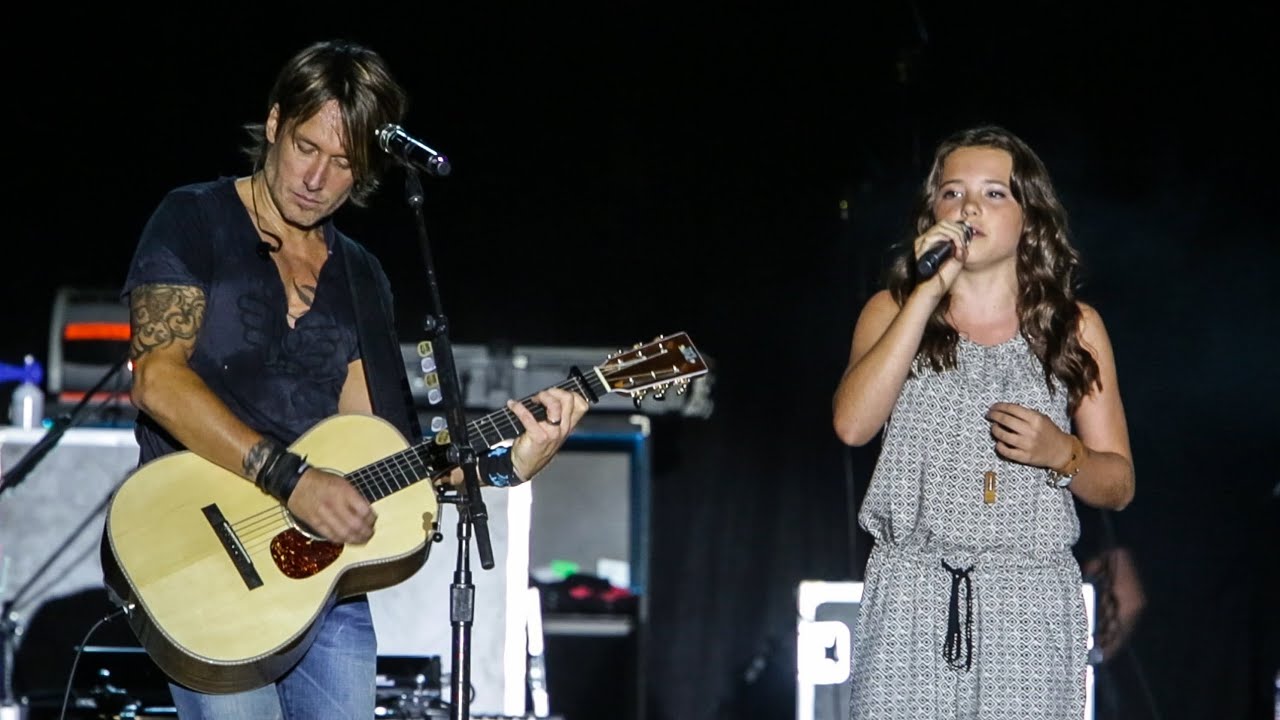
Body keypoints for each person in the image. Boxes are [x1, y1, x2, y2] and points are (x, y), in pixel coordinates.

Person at [112, 39, 588, 719]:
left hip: (325, 587)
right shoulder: (192, 219)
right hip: (207, 558)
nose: (317, 179)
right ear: (275, 124)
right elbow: (158, 380)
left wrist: (505, 465)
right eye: (307, 147)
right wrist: (293, 481)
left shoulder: (361, 275)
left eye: (343, 164)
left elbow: (386, 451)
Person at [832, 124, 1135, 719]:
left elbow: (1119, 483)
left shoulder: (1073, 327)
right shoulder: (892, 310)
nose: (969, 205)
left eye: (994, 193)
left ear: (1030, 217)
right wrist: (925, 294)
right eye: (953, 192)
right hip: (910, 593)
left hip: (1029, 597)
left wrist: (1062, 453)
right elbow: (852, 425)